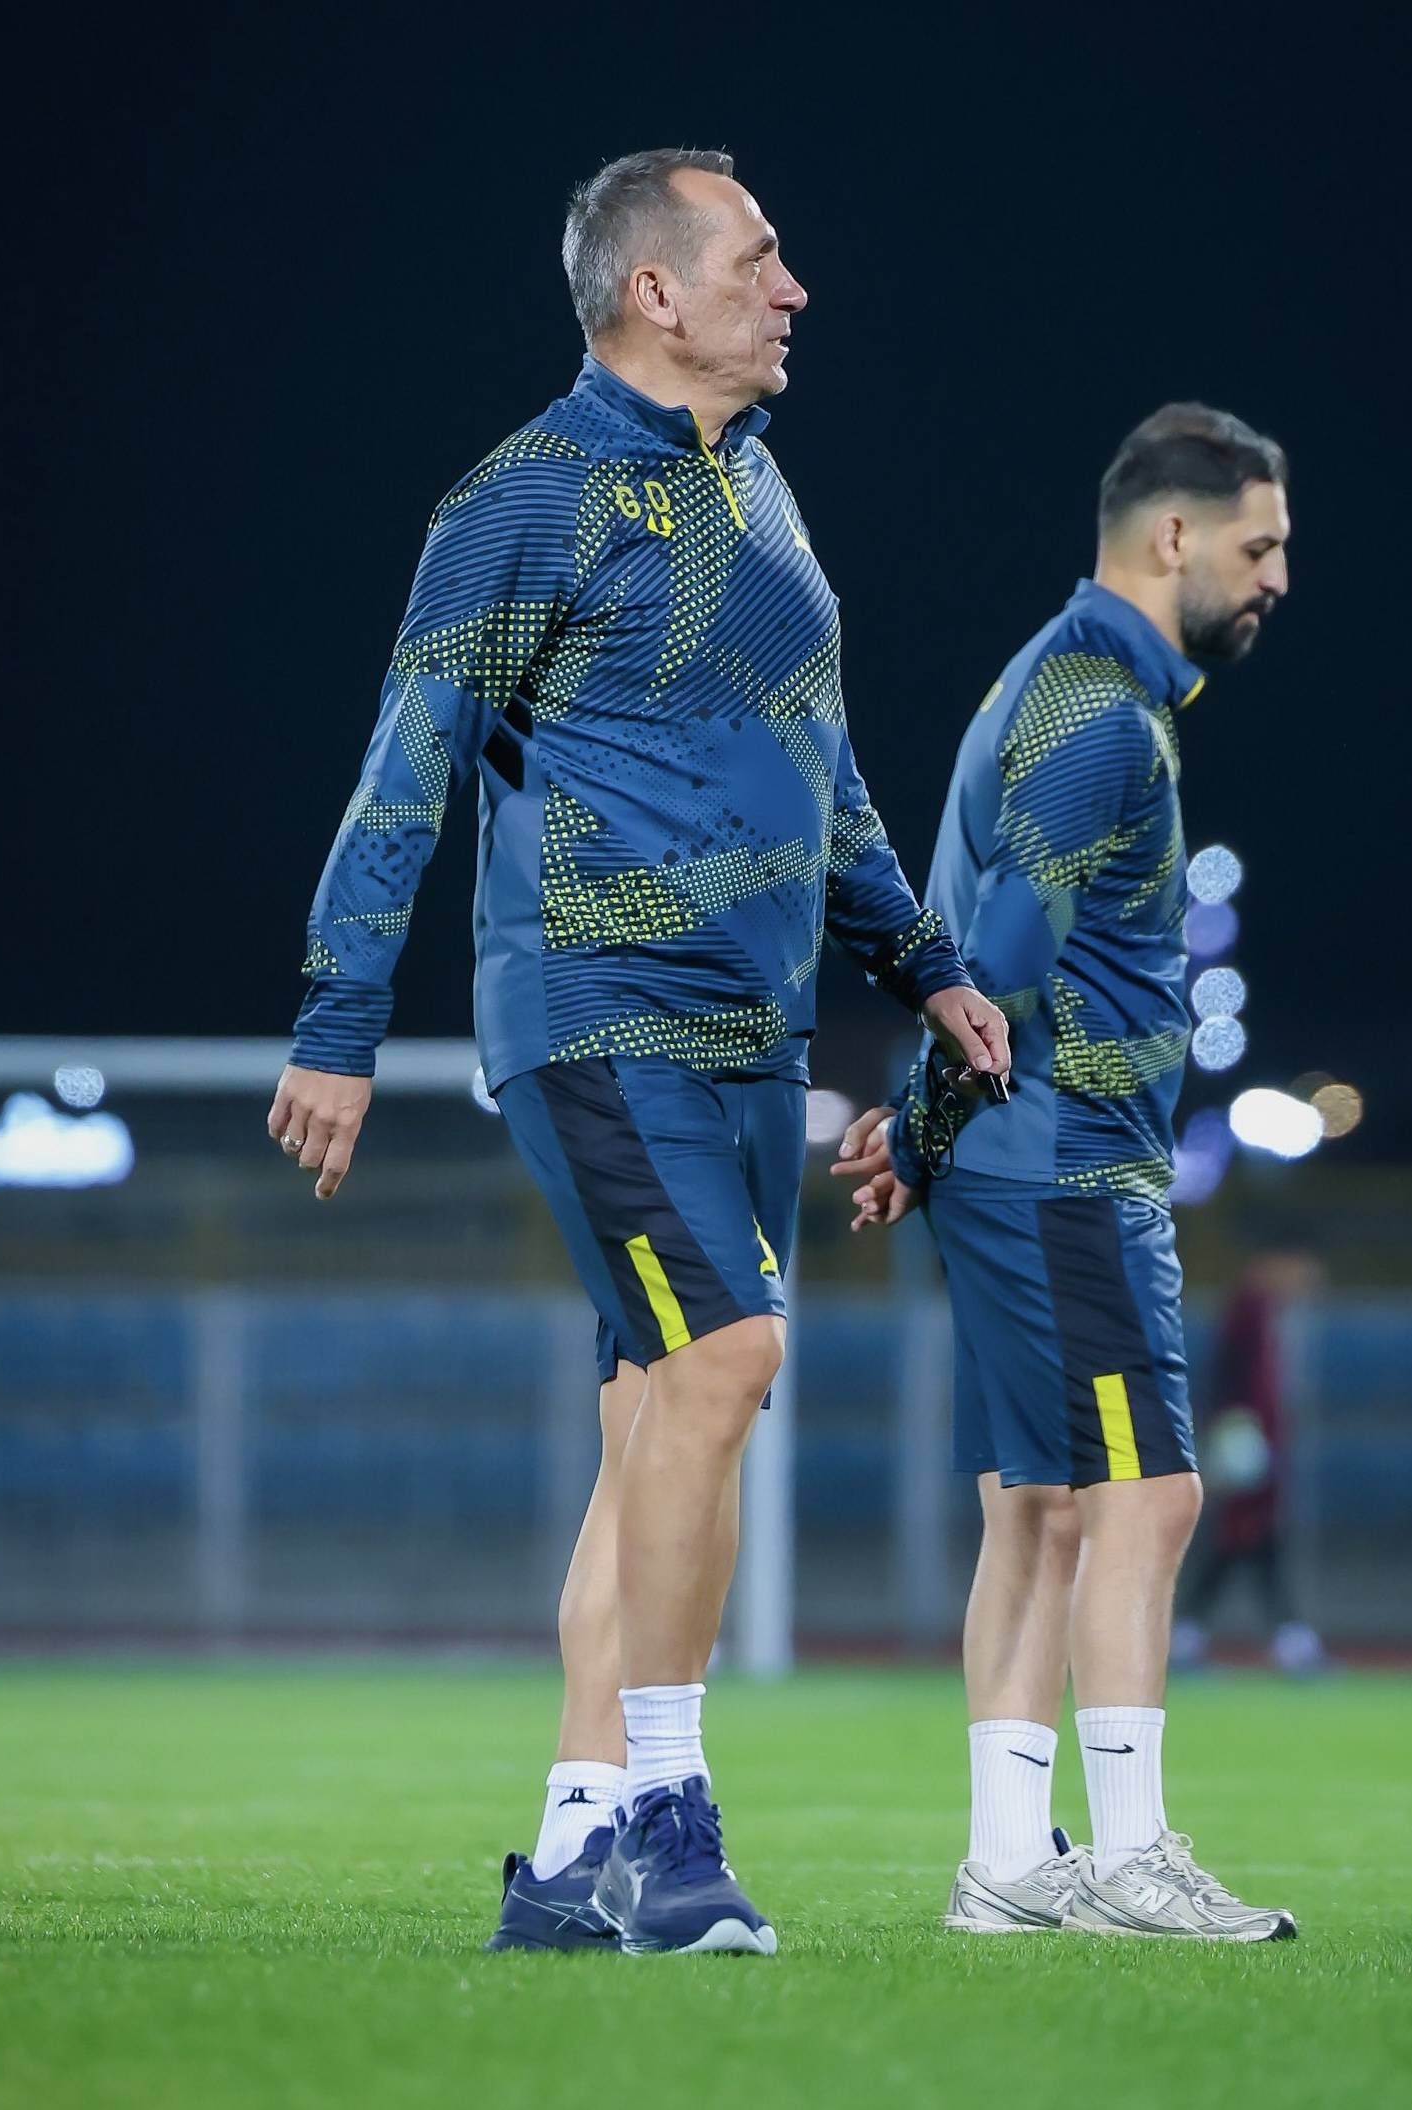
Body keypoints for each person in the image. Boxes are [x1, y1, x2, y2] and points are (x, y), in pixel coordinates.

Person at [267, 148, 1008, 1957]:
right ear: (654, 292)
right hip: (598, 1007)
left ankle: (573, 1844)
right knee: (733, 1357)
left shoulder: (759, 482)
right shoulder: (523, 495)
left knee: (662, 1423)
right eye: (760, 257)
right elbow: (407, 759)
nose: (793, 288)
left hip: (753, 1031)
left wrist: (923, 965)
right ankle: (672, 1827)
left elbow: (821, 763)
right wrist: (339, 1021)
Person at [831, 404, 1296, 1940]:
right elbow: (1006, 953)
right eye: (1258, 545)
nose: (1276, 577)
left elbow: (983, 948)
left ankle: (1008, 1865)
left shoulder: (1060, 679)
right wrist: (923, 1124)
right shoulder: (1102, 710)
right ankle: (1130, 1853)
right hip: (1069, 1160)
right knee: (1149, 1495)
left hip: (1009, 1157)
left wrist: (922, 1133)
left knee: (1036, 1507)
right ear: (1174, 534)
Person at [1172, 1249, 1331, 1674]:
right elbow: (1232, 1381)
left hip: (1253, 1438)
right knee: (1244, 1535)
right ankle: (1289, 1641)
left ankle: (1192, 1636)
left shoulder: (1262, 1313)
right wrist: (1236, 1437)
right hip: (1246, 1440)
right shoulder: (1247, 1313)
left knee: (1243, 1540)